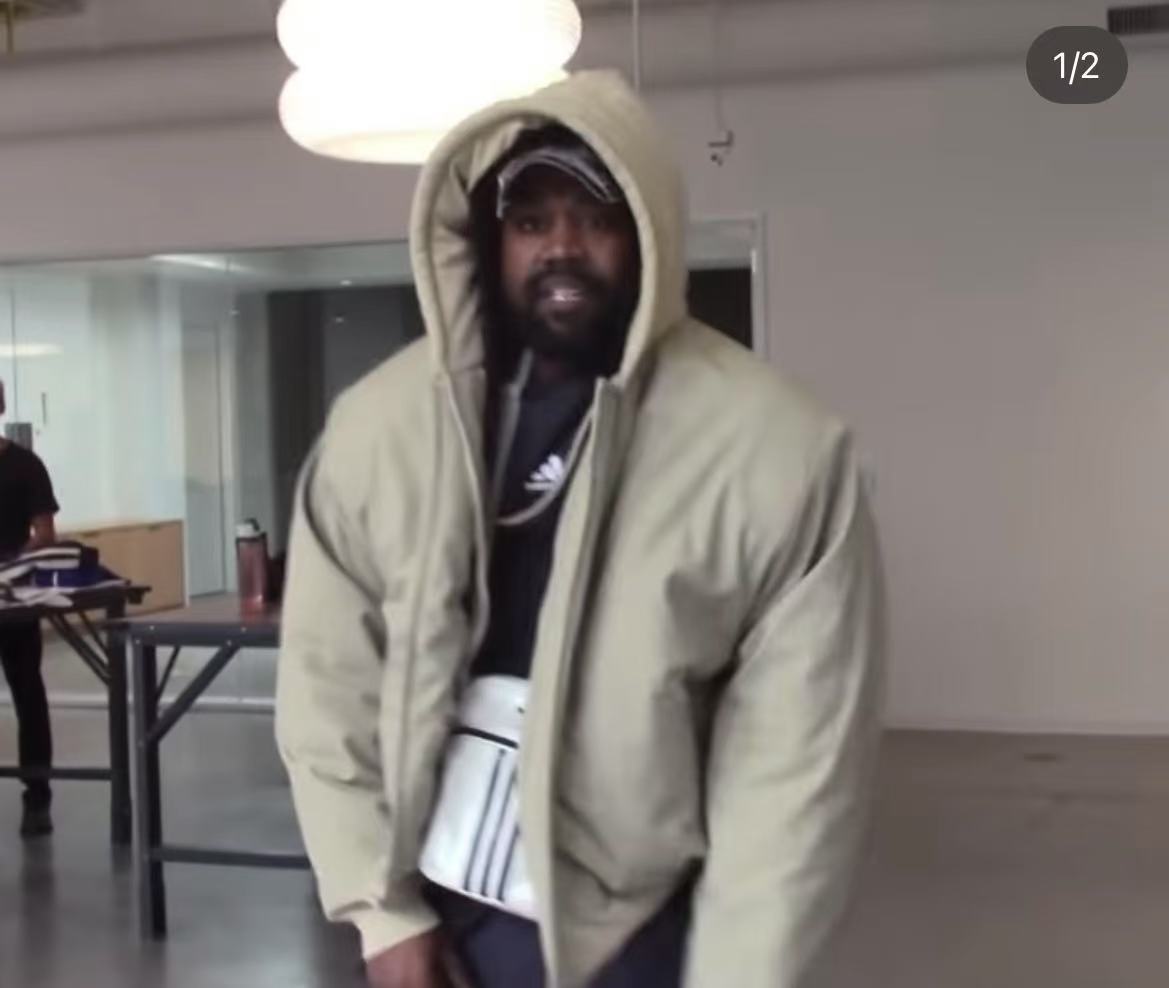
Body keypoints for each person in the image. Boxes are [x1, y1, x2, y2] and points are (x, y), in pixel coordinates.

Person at [277, 71, 885, 988]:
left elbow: (795, 768)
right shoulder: (381, 426)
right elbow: (328, 685)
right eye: (530, 221)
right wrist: (380, 909)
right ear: (488, 240)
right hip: (433, 915)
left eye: (595, 218)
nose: (561, 246)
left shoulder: (776, 450)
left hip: (642, 928)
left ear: (646, 232)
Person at [0, 378, 60, 837]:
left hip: (16, 598)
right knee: (29, 693)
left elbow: (45, 534)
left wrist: (12, 564)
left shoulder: (25, 466)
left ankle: (37, 797)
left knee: (27, 693)